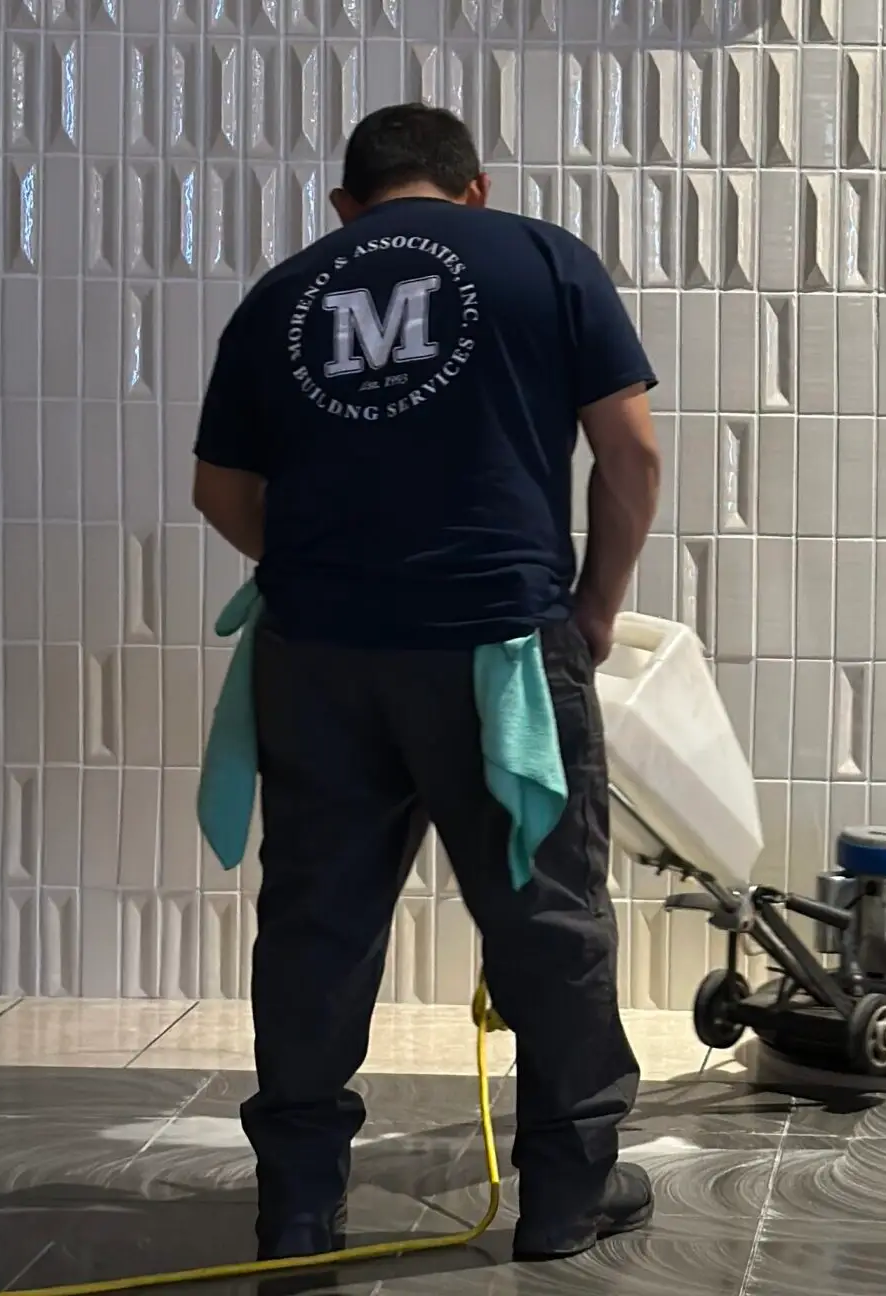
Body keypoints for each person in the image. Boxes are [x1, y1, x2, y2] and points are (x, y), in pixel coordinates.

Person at [190, 103, 662, 1263]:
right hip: (495, 648)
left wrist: (330, 572)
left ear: (347, 206)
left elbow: (219, 493)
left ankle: (298, 1203)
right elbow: (633, 451)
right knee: (544, 916)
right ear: (474, 189)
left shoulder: (282, 293)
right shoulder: (542, 257)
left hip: (320, 657)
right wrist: (593, 604)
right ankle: (562, 1195)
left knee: (318, 924)